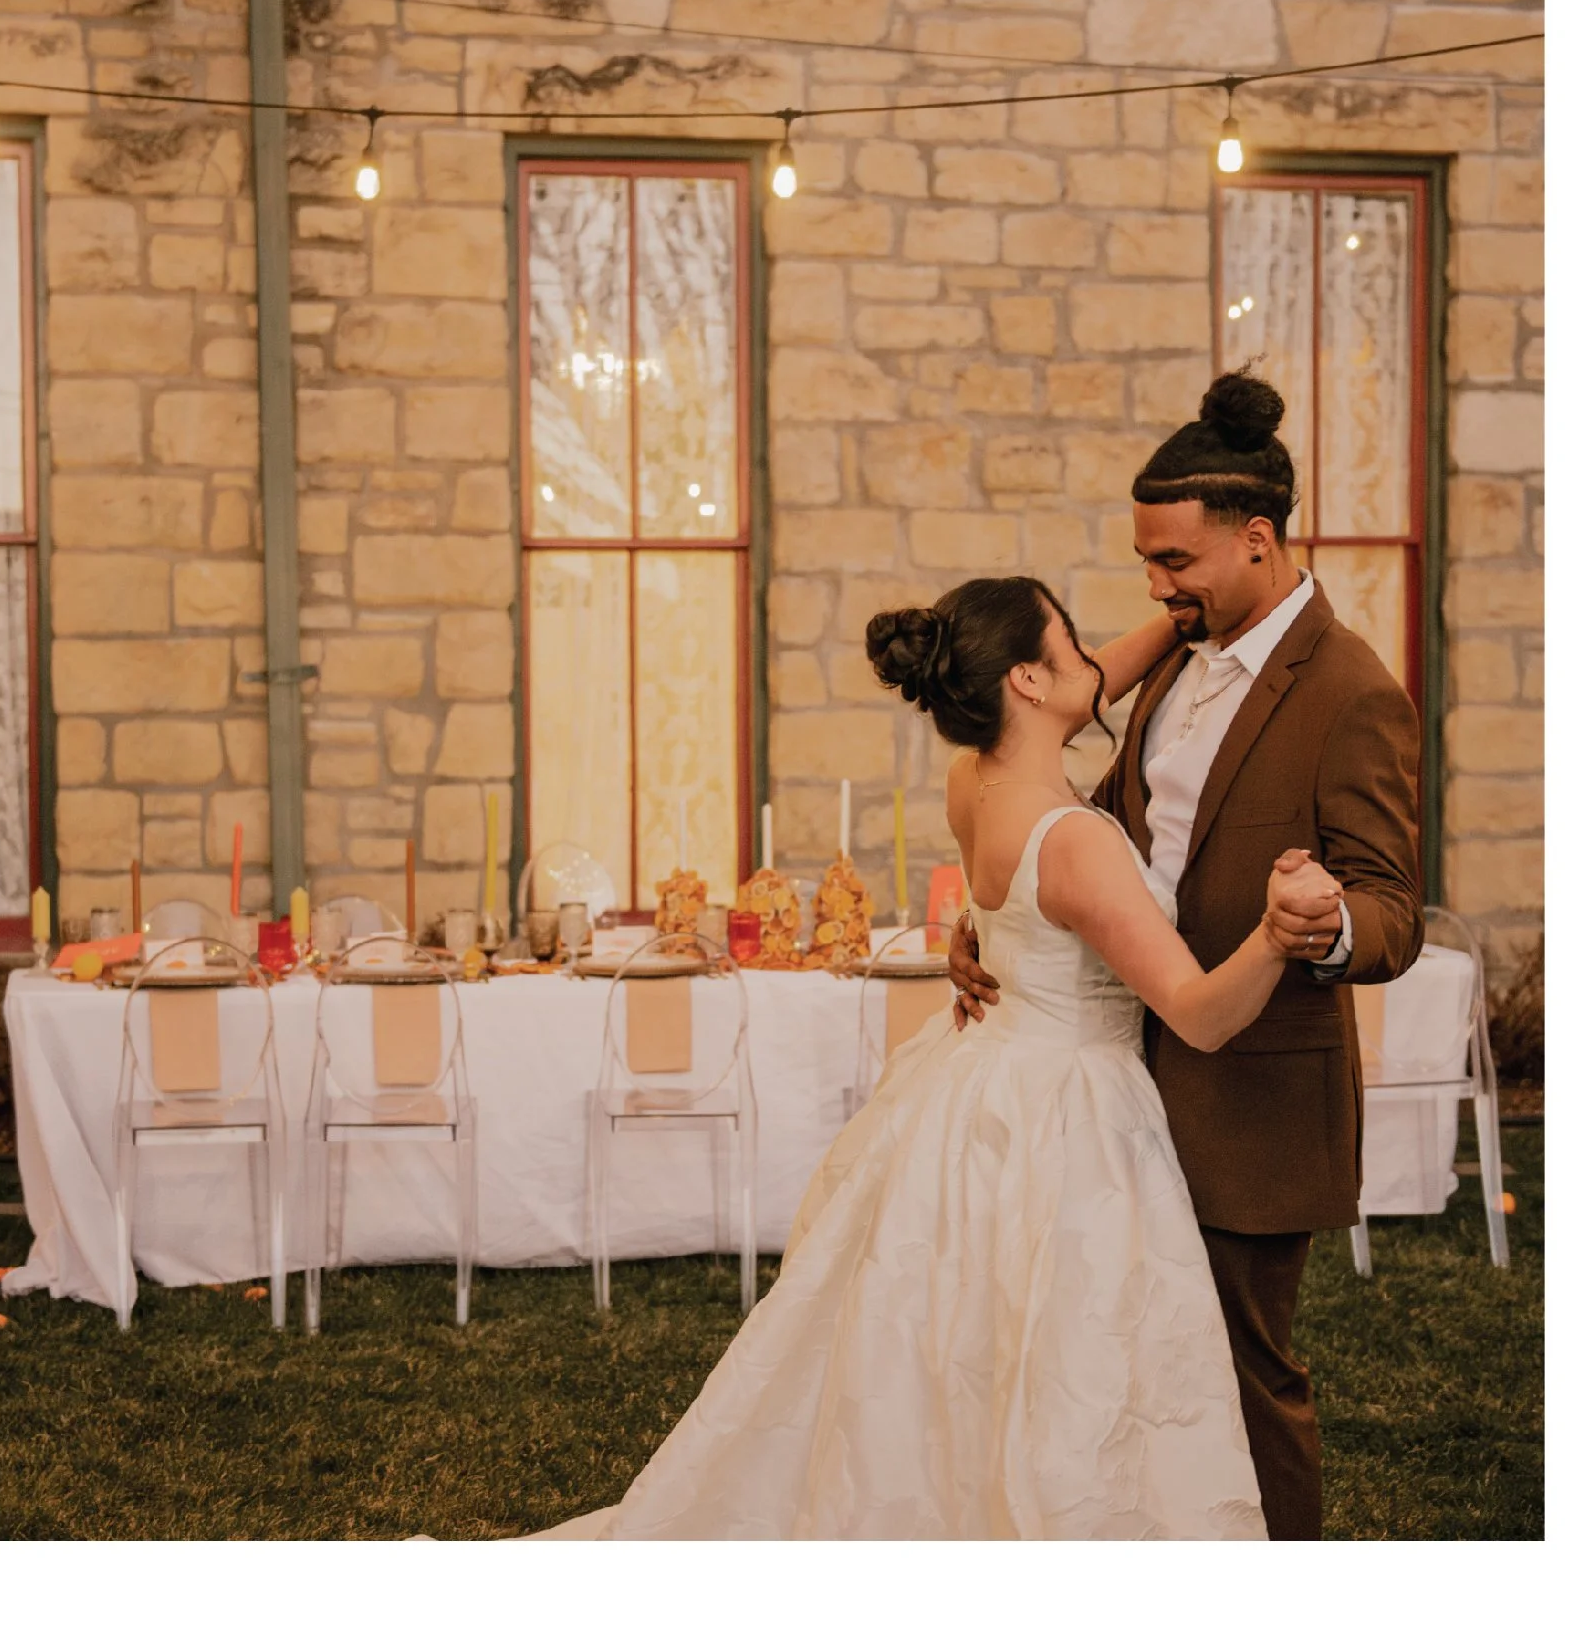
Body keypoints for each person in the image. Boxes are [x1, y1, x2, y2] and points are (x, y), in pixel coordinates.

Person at [535, 570, 1340, 1539]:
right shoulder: (1077, 843)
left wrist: (1176, 616)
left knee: (958, 1340)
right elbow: (1201, 1016)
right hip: (1070, 1117)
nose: (1100, 658)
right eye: (1072, 643)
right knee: (1058, 1357)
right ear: (1028, 683)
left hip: (980, 1086)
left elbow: (1090, 685)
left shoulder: (974, 782)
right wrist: (1277, 931)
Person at [948, 369, 1424, 1540]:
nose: (1155, 589)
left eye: (1173, 564)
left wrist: (1326, 925)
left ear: (1256, 541)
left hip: (1249, 1093)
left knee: (1241, 1383)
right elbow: (1102, 819)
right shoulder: (1175, 654)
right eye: (1144, 563)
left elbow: (1395, 910)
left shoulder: (1354, 692)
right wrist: (998, 926)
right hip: (1117, 1083)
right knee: (1128, 1370)